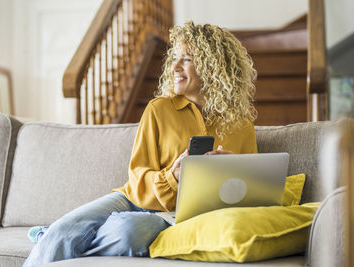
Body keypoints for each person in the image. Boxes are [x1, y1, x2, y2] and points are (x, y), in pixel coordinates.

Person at [22, 21, 258, 267]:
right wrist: (172, 177)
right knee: (64, 231)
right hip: (134, 198)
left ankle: (63, 238)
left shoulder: (241, 126)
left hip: (174, 215)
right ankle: (56, 234)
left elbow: (250, 194)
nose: (175, 66)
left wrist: (232, 169)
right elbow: (137, 177)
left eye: (186, 59)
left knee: (130, 233)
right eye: (174, 58)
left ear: (213, 67)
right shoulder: (159, 109)